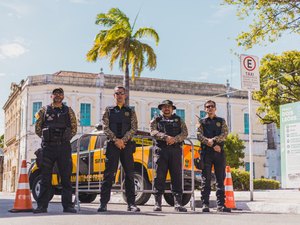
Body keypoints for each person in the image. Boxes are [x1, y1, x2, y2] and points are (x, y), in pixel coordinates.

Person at [33, 88, 77, 213]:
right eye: (55, 94)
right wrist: (47, 138)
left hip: (63, 147)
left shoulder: (68, 111)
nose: (58, 96)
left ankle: (68, 206)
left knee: (66, 178)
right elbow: (38, 128)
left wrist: (66, 137)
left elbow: (74, 128)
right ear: (51, 96)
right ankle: (42, 206)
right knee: (45, 177)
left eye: (60, 94)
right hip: (48, 148)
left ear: (63, 96)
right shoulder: (44, 110)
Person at [98, 86, 140, 212]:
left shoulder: (130, 111)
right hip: (113, 145)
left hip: (126, 145)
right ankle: (103, 203)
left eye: (122, 93)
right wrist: (116, 140)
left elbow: (134, 128)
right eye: (117, 93)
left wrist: (123, 140)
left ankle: (131, 204)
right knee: (109, 174)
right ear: (114, 96)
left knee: (129, 175)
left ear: (125, 95)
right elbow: (105, 127)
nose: (120, 95)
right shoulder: (109, 110)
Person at [150, 100, 188, 212]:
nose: (167, 108)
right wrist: (165, 137)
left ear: (172, 108)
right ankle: (157, 203)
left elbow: (185, 133)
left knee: (177, 177)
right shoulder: (156, 119)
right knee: (159, 177)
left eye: (169, 107)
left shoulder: (179, 119)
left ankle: (178, 204)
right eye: (164, 107)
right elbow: (152, 131)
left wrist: (174, 139)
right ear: (161, 108)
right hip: (161, 151)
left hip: (175, 151)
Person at [196, 100, 231, 213]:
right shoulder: (201, 121)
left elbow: (225, 134)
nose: (210, 108)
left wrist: (214, 141)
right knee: (205, 179)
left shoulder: (221, 121)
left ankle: (221, 205)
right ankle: (205, 204)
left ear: (215, 108)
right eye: (207, 107)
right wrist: (208, 142)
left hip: (219, 152)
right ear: (205, 109)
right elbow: (198, 135)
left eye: (212, 106)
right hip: (206, 153)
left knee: (220, 179)